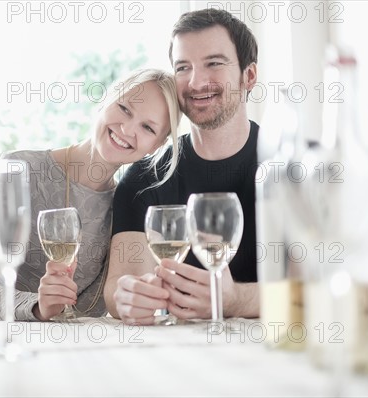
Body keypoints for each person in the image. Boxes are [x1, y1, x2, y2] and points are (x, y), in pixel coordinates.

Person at [0, 68, 181, 322]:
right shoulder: (18, 170)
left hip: (67, 353)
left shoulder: (128, 208)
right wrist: (38, 306)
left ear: (158, 145)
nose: (127, 129)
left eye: (148, 128)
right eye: (124, 108)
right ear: (106, 100)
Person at [104, 9, 260, 325]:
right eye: (183, 67)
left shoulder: (296, 169)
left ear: (249, 76)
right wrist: (128, 299)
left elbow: (325, 287)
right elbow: (119, 286)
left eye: (214, 63)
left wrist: (234, 300)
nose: (196, 81)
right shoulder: (144, 179)